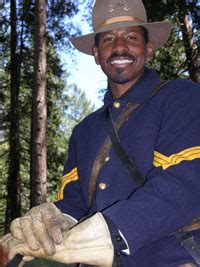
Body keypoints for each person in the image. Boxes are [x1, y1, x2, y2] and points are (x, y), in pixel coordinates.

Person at [1, 0, 200, 266]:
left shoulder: (181, 97)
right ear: (96, 53)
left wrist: (104, 235)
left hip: (170, 258)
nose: (119, 46)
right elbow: (73, 203)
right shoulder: (84, 131)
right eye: (108, 39)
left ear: (149, 48)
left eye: (131, 37)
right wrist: (53, 220)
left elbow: (184, 185)